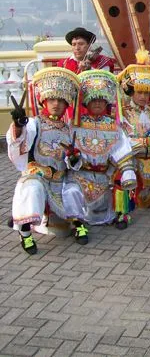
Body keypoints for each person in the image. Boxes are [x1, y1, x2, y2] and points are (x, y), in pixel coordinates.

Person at [7, 67, 80, 253]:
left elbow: (74, 162)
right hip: (38, 173)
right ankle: (25, 233)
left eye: (60, 101)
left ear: (66, 105)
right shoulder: (34, 123)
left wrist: (73, 157)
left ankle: (78, 224)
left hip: (60, 178)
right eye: (52, 100)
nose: (56, 104)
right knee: (31, 187)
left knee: (76, 187)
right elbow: (21, 138)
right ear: (44, 101)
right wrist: (18, 126)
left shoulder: (69, 129)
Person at [62, 70, 137, 233]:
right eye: (93, 99)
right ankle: (78, 222)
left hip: (105, 175)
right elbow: (67, 150)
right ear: (85, 102)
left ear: (107, 103)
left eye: (101, 100)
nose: (97, 103)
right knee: (71, 191)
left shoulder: (114, 126)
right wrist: (72, 159)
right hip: (80, 175)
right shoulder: (75, 125)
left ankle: (120, 214)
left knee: (122, 180)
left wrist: (126, 169)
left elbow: (121, 150)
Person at [118, 53, 150, 208]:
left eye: (146, 93)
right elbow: (122, 139)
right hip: (133, 155)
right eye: (139, 92)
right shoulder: (123, 111)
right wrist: (143, 141)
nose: (143, 96)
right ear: (131, 92)